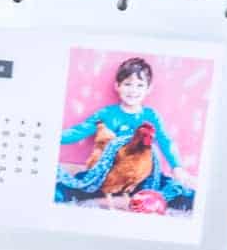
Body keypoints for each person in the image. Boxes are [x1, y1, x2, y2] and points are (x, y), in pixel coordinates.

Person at [61, 57, 193, 187]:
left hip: (139, 175)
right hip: (110, 173)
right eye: (128, 84)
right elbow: (80, 131)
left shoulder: (151, 116)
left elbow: (166, 141)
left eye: (140, 85)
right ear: (117, 86)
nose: (133, 90)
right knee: (80, 183)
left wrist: (177, 167)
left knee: (172, 188)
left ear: (148, 89)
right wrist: (54, 137)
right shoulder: (106, 114)